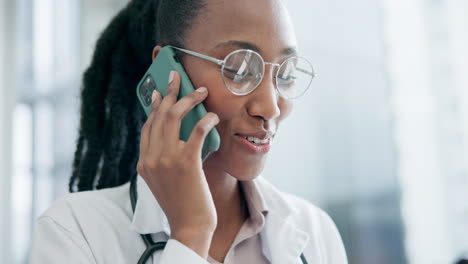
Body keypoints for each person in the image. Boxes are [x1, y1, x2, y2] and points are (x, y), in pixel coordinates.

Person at [29, 0, 348, 263]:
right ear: (168, 71)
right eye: (237, 69)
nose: (270, 107)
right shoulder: (73, 231)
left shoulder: (315, 231)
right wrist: (191, 234)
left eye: (286, 73)